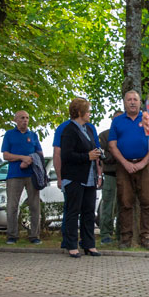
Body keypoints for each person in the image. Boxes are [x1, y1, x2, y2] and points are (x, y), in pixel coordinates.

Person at [108, 91, 149, 249]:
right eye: (129, 100)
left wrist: (143, 163)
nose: (132, 102)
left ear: (140, 102)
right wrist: (125, 163)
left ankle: (146, 236)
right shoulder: (117, 121)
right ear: (124, 102)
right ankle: (126, 238)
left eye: (135, 99)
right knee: (125, 202)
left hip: (145, 165)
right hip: (124, 167)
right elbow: (112, 145)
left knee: (147, 203)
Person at [59, 97, 102, 258]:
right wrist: (87, 156)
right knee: (73, 211)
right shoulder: (69, 130)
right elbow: (66, 155)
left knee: (89, 212)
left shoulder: (89, 129)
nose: (90, 113)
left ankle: (89, 244)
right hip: (75, 177)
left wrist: (97, 154)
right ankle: (71, 245)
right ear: (79, 112)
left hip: (89, 177)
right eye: (88, 111)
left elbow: (92, 148)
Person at [1, 110, 43, 244]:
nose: (25, 120)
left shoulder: (33, 135)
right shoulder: (9, 134)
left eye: (27, 118)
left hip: (31, 175)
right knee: (12, 206)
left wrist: (30, 159)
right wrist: (22, 158)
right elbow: (6, 155)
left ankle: (34, 236)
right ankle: (12, 235)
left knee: (34, 206)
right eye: (22, 118)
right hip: (14, 175)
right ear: (16, 120)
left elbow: (40, 154)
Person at [97, 110, 122, 244]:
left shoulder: (127, 135)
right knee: (108, 205)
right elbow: (102, 156)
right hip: (110, 175)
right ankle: (106, 233)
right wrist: (117, 155)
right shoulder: (104, 136)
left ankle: (121, 234)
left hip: (125, 175)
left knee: (123, 206)